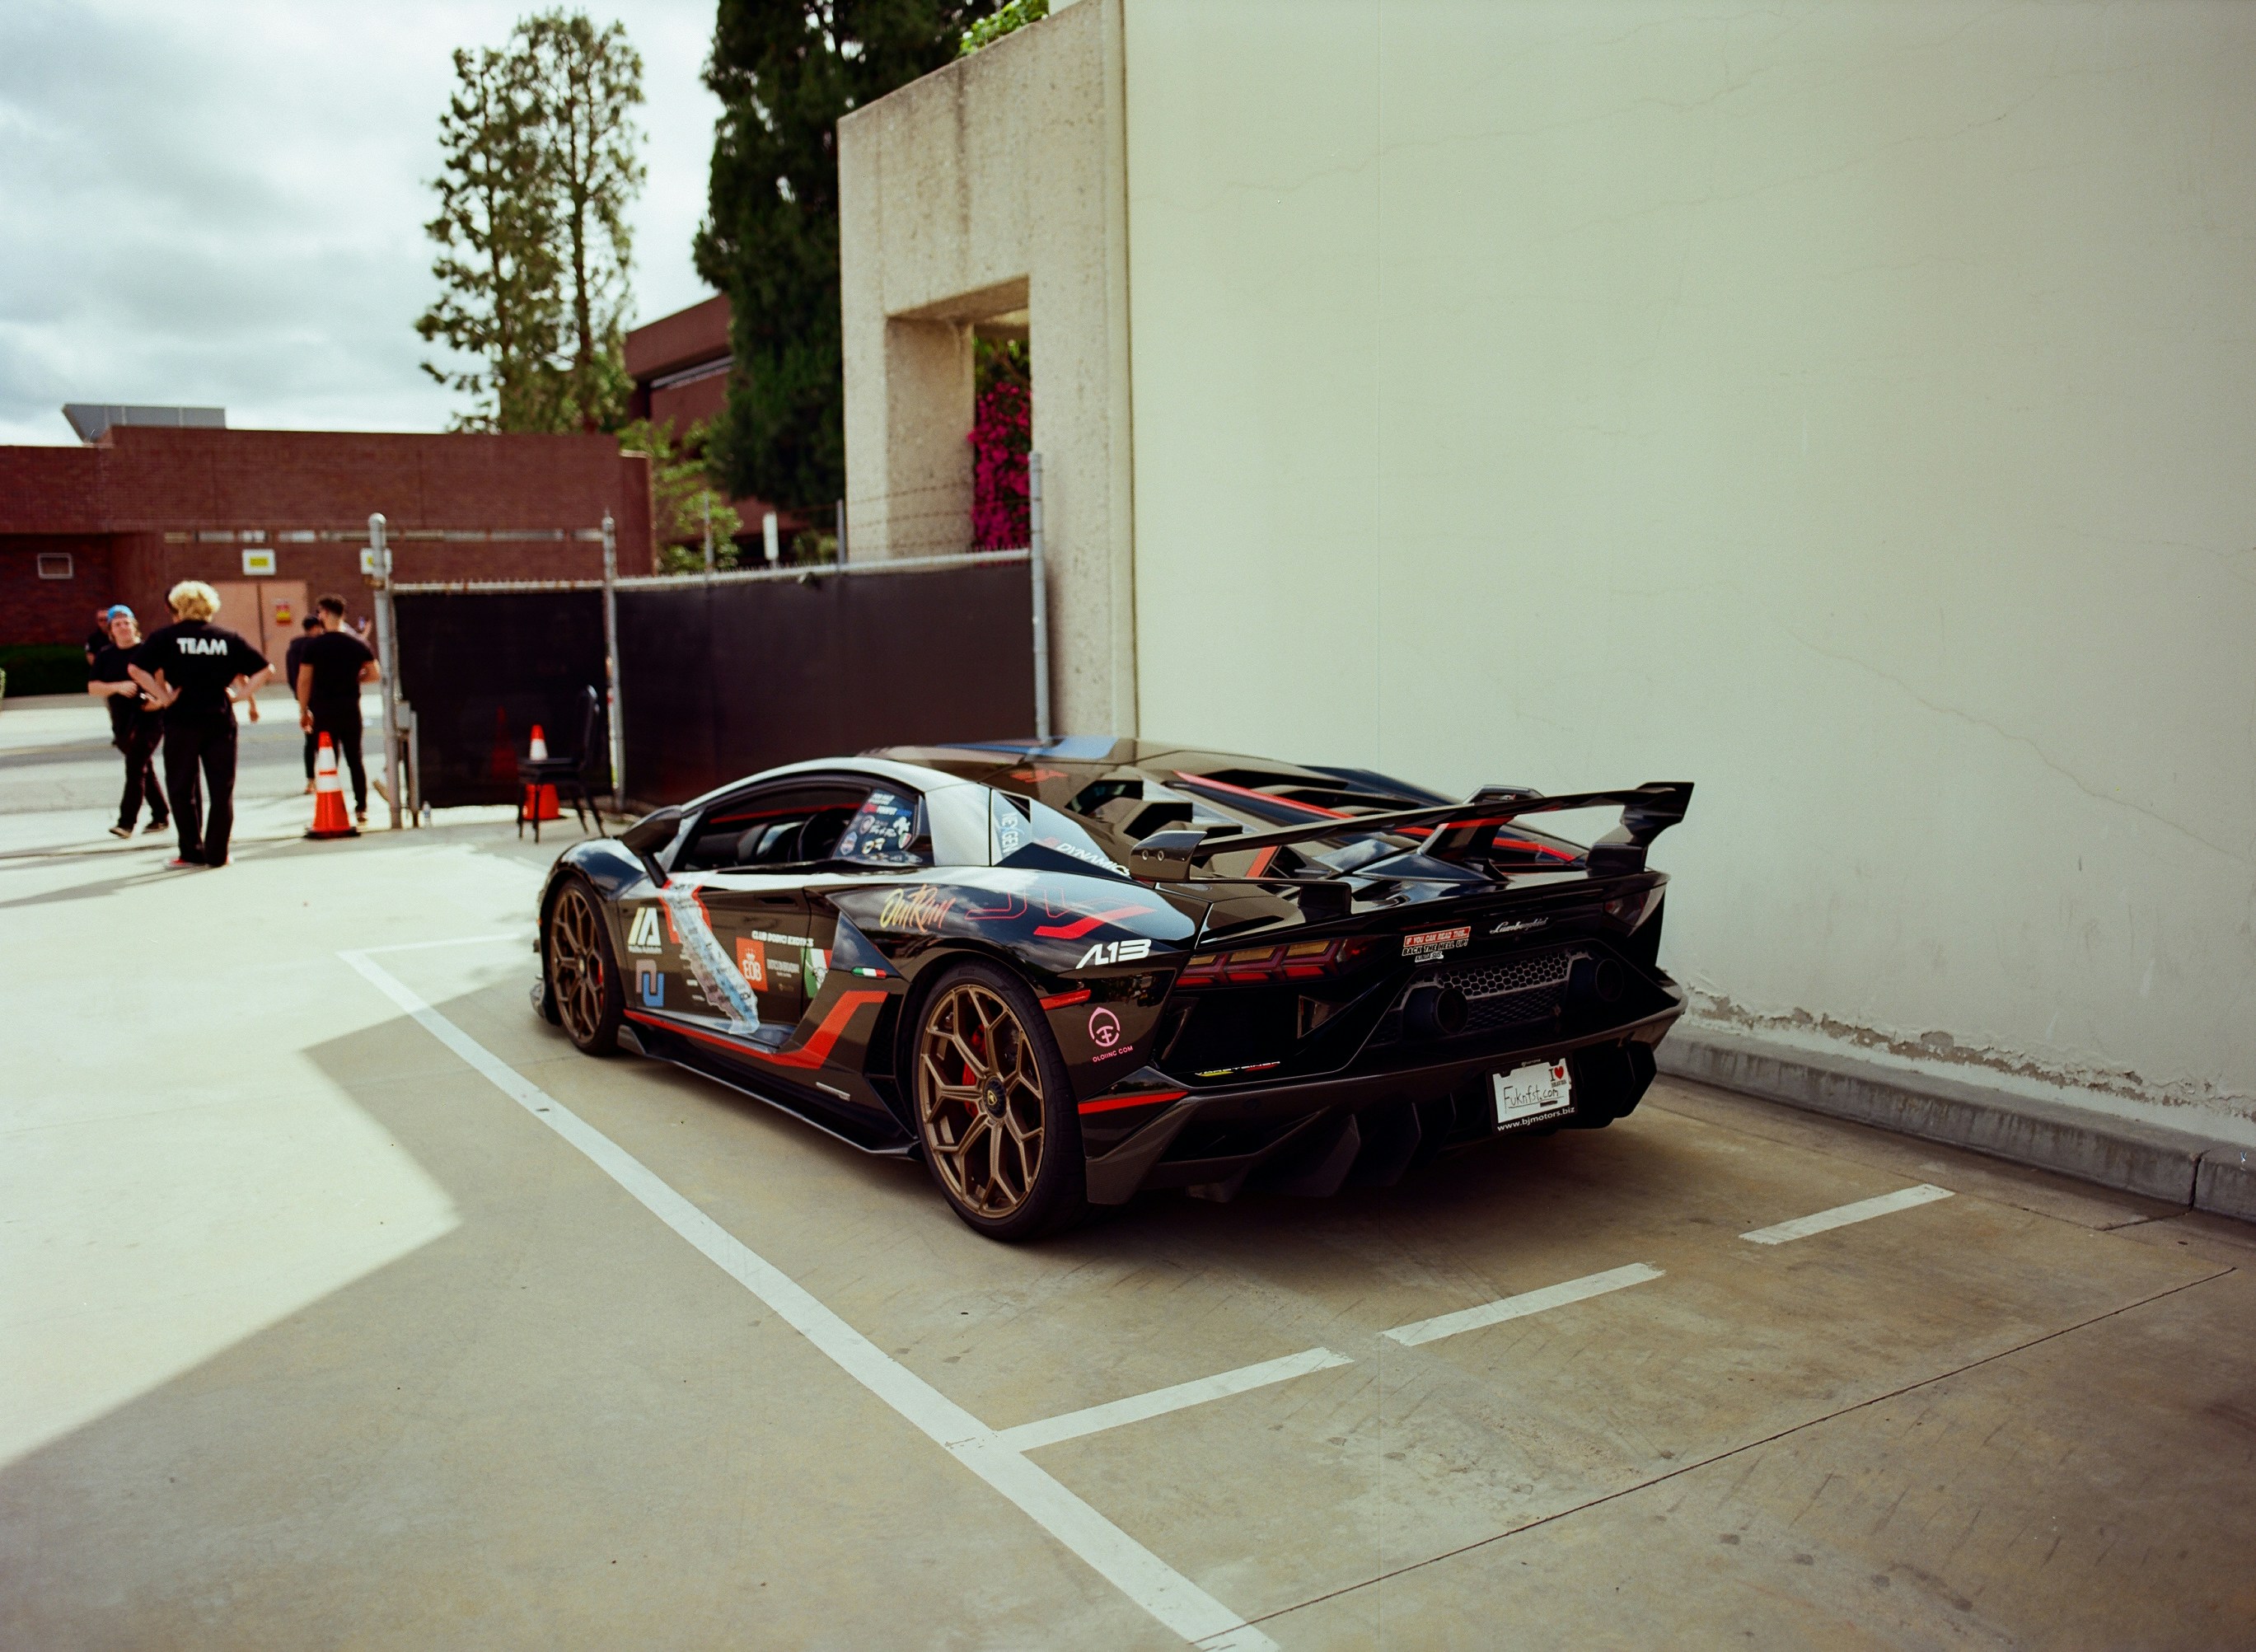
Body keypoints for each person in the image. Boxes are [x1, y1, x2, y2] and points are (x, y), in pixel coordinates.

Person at [129, 580, 271, 869]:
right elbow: (265, 669)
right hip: (219, 719)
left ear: (178, 606)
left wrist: (163, 697)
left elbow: (135, 669)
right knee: (221, 789)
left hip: (182, 719)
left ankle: (191, 852)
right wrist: (240, 695)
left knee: (181, 787)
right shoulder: (227, 638)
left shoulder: (166, 637)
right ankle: (218, 854)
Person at [84, 606, 170, 840]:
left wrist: (158, 702)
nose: (123, 627)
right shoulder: (105, 655)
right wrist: (118, 687)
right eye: (117, 624)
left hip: (150, 719)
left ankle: (126, 823)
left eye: (127, 623)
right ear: (111, 631)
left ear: (135, 626)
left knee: (135, 767)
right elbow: (93, 687)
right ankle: (161, 815)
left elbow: (166, 682)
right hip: (122, 722)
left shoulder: (149, 651)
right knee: (143, 768)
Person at [295, 593, 378, 825]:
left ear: (324, 613)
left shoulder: (314, 646)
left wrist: (303, 710)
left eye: (319, 612)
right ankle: (361, 807)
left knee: (328, 760)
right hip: (350, 708)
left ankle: (331, 806)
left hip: (324, 710)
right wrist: (356, 679)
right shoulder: (358, 643)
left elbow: (304, 680)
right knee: (355, 759)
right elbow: (375, 673)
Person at [283, 613, 324, 794]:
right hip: (320, 697)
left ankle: (310, 781)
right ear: (315, 628)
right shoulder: (315, 646)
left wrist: (300, 698)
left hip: (302, 698)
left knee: (309, 741)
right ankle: (326, 776)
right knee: (326, 739)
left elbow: (292, 676)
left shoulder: (292, 649)